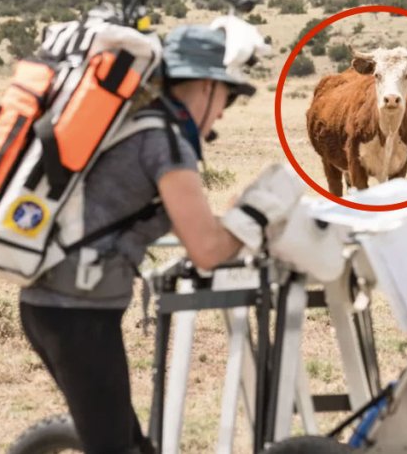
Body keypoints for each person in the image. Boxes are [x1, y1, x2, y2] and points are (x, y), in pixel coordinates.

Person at [18, 23, 287, 454]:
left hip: (54, 304)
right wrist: (257, 211)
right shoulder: (164, 142)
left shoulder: (140, 124)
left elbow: (192, 228)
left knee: (128, 444)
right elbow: (207, 251)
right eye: (227, 97)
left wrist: (233, 218)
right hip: (79, 313)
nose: (222, 112)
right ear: (205, 87)